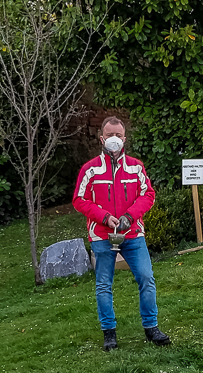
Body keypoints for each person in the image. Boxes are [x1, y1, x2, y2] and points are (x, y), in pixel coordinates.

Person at [72, 117, 170, 351]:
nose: (114, 139)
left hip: (133, 233)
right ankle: (109, 333)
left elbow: (148, 194)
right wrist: (104, 217)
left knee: (146, 278)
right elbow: (79, 199)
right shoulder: (90, 169)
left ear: (124, 138)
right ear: (102, 138)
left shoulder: (136, 166)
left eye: (118, 135)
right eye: (109, 135)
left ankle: (151, 327)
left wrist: (130, 216)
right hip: (102, 236)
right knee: (103, 285)